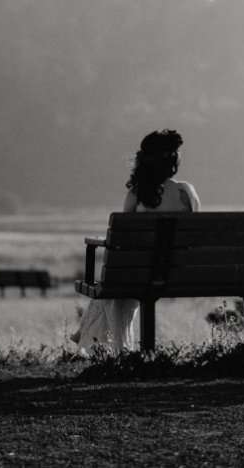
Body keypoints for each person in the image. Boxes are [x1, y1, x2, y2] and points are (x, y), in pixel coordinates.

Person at [75, 129, 199, 354]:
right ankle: (93, 335)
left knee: (115, 286)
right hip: (178, 272)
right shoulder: (187, 193)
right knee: (120, 286)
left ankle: (101, 341)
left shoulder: (137, 194)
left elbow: (122, 240)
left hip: (140, 272)